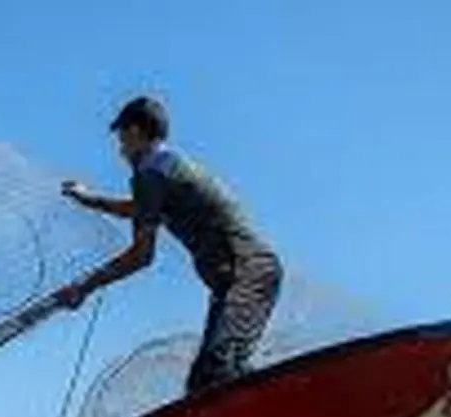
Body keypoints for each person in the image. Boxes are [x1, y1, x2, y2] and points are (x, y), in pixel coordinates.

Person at [55, 95, 285, 396]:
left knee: (212, 378)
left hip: (246, 277)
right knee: (214, 381)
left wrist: (84, 286)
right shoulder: (166, 166)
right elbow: (139, 208)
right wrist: (89, 199)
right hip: (243, 278)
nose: (120, 149)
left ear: (135, 132)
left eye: (121, 138)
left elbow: (141, 256)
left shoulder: (149, 174)